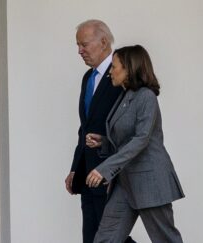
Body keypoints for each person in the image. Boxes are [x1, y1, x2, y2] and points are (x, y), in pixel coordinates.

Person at [85, 45, 185, 243]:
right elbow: (126, 138)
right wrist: (103, 142)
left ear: (129, 69)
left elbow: (141, 139)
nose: (110, 73)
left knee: (165, 239)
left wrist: (105, 169)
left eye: (114, 67)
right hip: (125, 182)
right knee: (105, 238)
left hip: (150, 181)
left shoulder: (146, 97)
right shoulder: (125, 96)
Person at [65, 20, 135, 243]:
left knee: (111, 237)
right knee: (92, 236)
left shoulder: (122, 75)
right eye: (78, 45)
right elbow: (84, 128)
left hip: (112, 174)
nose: (80, 51)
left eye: (84, 44)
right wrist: (76, 168)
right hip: (88, 174)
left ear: (104, 42)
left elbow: (131, 127)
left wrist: (106, 144)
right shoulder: (88, 77)